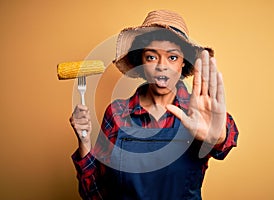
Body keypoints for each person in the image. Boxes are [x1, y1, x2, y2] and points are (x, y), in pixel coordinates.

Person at [70, 10, 239, 200]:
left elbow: (225, 141)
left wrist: (217, 137)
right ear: (140, 61)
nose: (162, 66)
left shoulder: (199, 112)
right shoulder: (117, 113)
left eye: (172, 57)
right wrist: (84, 142)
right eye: (151, 57)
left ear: (184, 62)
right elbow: (93, 193)